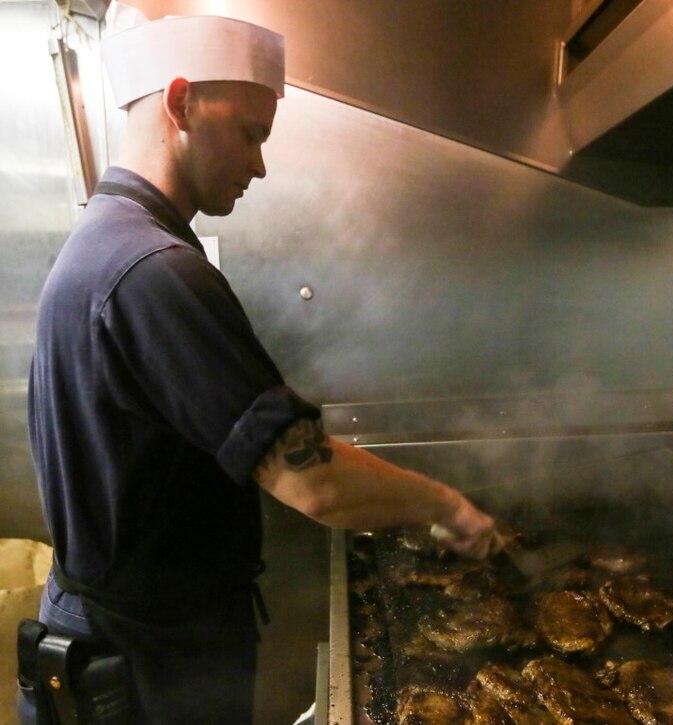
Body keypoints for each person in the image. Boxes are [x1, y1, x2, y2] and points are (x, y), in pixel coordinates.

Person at [21, 5, 499, 723]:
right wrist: (448, 506)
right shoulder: (153, 270)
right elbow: (316, 483)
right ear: (181, 102)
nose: (259, 164)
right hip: (146, 670)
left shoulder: (110, 238)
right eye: (250, 133)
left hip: (129, 643)